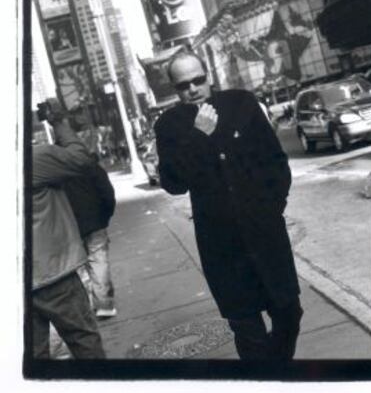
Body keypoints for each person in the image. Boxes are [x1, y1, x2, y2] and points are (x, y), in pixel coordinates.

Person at [154, 50, 303, 361]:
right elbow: (173, 183)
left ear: (209, 76)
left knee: (289, 313)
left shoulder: (242, 103)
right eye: (184, 85)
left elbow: (275, 162)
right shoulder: (169, 125)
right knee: (249, 333)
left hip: (266, 235)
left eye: (198, 80)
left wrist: (271, 208)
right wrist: (199, 136)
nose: (193, 89)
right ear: (174, 88)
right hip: (222, 248)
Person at [31, 101, 106, 358]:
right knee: (84, 341)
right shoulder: (32, 159)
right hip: (53, 275)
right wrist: (59, 122)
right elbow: (81, 159)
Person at [63, 155, 117, 319]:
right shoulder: (90, 166)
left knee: (78, 267)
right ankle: (104, 305)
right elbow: (108, 194)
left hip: (69, 226)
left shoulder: (56, 171)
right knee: (98, 263)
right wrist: (104, 217)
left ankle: (86, 308)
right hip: (94, 223)